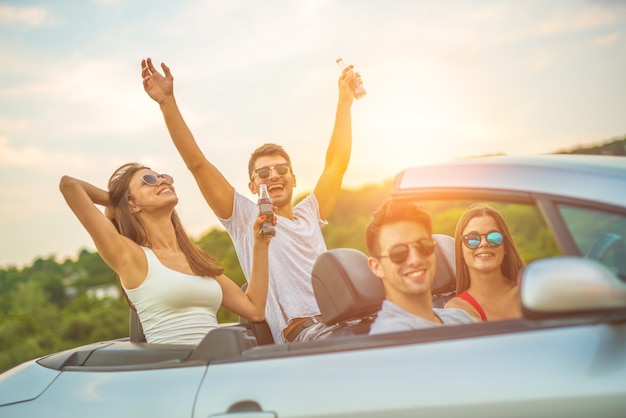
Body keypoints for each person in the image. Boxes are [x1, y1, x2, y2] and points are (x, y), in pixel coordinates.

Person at [141, 57, 359, 344]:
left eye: (281, 169)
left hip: (346, 320)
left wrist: (345, 101)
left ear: (293, 178)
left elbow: (336, 163)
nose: (273, 176)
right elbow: (198, 164)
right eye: (263, 173)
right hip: (306, 335)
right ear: (252, 185)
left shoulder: (310, 213)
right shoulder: (245, 218)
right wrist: (167, 102)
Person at [59, 163, 273, 345]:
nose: (162, 181)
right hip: (174, 373)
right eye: (149, 180)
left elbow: (254, 310)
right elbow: (70, 186)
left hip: (216, 367)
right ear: (132, 203)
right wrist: (118, 202)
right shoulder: (131, 257)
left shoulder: (195, 260)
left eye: (163, 177)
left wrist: (261, 244)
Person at [365, 199, 476, 335]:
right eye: (398, 252)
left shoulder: (459, 318)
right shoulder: (391, 337)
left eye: (423, 245)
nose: (415, 259)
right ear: (377, 267)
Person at [444, 203, 524, 321]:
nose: (484, 243)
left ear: (505, 247)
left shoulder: (528, 289)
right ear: (460, 250)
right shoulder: (458, 310)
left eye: (493, 237)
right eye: (472, 238)